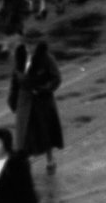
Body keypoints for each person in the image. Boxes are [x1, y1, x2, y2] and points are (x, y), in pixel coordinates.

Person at [8, 37, 64, 171]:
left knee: (45, 132)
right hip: (24, 99)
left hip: (41, 101)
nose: (29, 47)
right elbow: (15, 77)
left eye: (32, 44)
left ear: (37, 44)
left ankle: (50, 160)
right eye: (27, 44)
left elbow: (56, 78)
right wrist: (13, 97)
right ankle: (23, 164)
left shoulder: (46, 58)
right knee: (23, 133)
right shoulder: (20, 55)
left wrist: (43, 89)